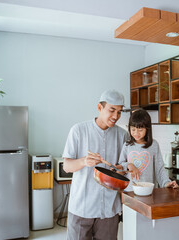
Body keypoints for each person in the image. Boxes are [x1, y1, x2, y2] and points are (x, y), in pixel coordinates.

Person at [62, 89, 128, 240]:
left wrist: (121, 169)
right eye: (112, 110)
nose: (116, 116)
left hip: (109, 210)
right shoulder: (78, 130)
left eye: (119, 112)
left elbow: (125, 168)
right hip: (82, 207)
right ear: (100, 107)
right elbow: (67, 166)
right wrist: (83, 161)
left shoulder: (123, 135)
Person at [119, 109, 178, 191]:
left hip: (148, 191)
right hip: (129, 192)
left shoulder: (153, 145)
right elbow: (120, 165)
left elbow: (159, 169)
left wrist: (166, 183)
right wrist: (129, 165)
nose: (136, 133)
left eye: (140, 130)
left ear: (147, 129)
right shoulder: (127, 145)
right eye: (133, 129)